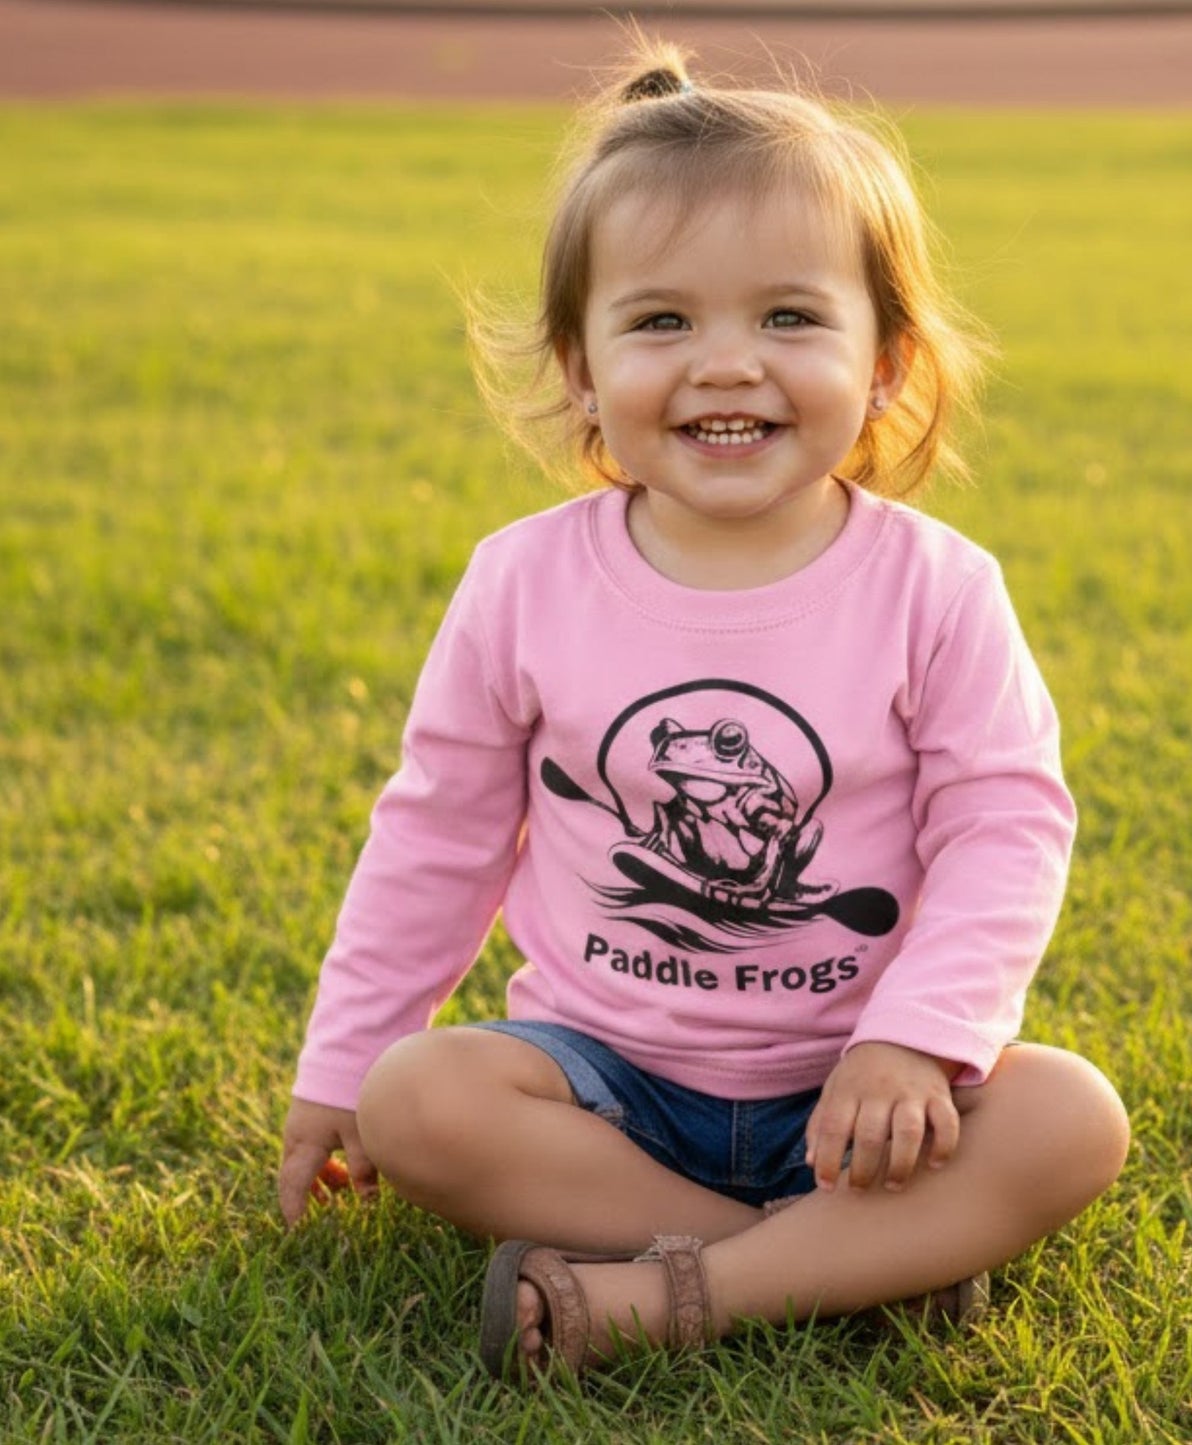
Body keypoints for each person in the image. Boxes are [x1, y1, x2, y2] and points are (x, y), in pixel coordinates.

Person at [276, 37, 1130, 1380]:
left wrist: (916, 1039)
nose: (725, 364)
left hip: (864, 1096)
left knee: (1071, 1116)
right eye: (661, 320)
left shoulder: (935, 590)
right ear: (578, 364)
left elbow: (1004, 827)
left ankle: (661, 1291)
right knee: (420, 1100)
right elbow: (437, 832)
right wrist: (339, 1061)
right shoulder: (523, 581)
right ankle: (833, 1266)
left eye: (788, 318)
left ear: (888, 358)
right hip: (602, 1082)